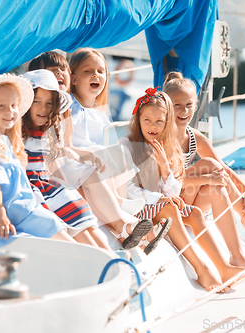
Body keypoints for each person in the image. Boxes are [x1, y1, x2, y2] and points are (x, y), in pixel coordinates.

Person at [120, 88, 245, 292]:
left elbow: (173, 189)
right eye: (147, 120)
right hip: (140, 206)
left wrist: (164, 168)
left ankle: (223, 268)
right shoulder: (127, 145)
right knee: (170, 209)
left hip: (161, 204)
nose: (153, 126)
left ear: (167, 123)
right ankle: (202, 271)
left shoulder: (166, 146)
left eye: (159, 122)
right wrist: (158, 199)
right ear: (138, 119)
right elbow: (127, 188)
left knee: (194, 213)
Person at [22, 70, 170, 254]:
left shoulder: (46, 131)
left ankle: (125, 233)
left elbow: (60, 151)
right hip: (39, 185)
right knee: (83, 223)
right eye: (37, 101)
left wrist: (85, 156)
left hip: (50, 179)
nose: (43, 108)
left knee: (91, 184)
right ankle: (123, 233)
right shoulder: (19, 135)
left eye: (48, 103)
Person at [0, 73, 77, 250]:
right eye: (1, 106)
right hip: (5, 209)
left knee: (52, 221)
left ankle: (87, 257)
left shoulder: (3, 140)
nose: (10, 111)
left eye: (13, 106)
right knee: (50, 224)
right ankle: (88, 259)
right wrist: (0, 215)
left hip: (19, 206)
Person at [162, 72, 245, 248]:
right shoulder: (162, 138)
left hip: (189, 206)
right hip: (170, 204)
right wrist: (208, 178)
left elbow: (224, 169)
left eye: (189, 105)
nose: (184, 111)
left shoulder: (195, 138)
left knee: (215, 177)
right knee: (209, 166)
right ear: (166, 106)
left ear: (196, 105)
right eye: (177, 105)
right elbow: (168, 181)